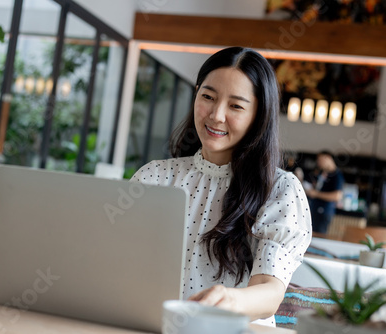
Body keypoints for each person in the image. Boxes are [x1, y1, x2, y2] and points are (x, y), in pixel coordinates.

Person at [130, 47, 311, 327]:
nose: (216, 115)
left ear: (258, 116)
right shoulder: (155, 177)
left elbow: (270, 293)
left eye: (236, 106)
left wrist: (229, 301)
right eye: (208, 97)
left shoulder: (280, 190)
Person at [304, 151, 344, 234]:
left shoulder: (337, 175)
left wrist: (315, 194)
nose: (319, 163)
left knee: (318, 236)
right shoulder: (322, 173)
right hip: (313, 209)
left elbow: (337, 196)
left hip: (324, 211)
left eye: (320, 160)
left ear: (328, 157)